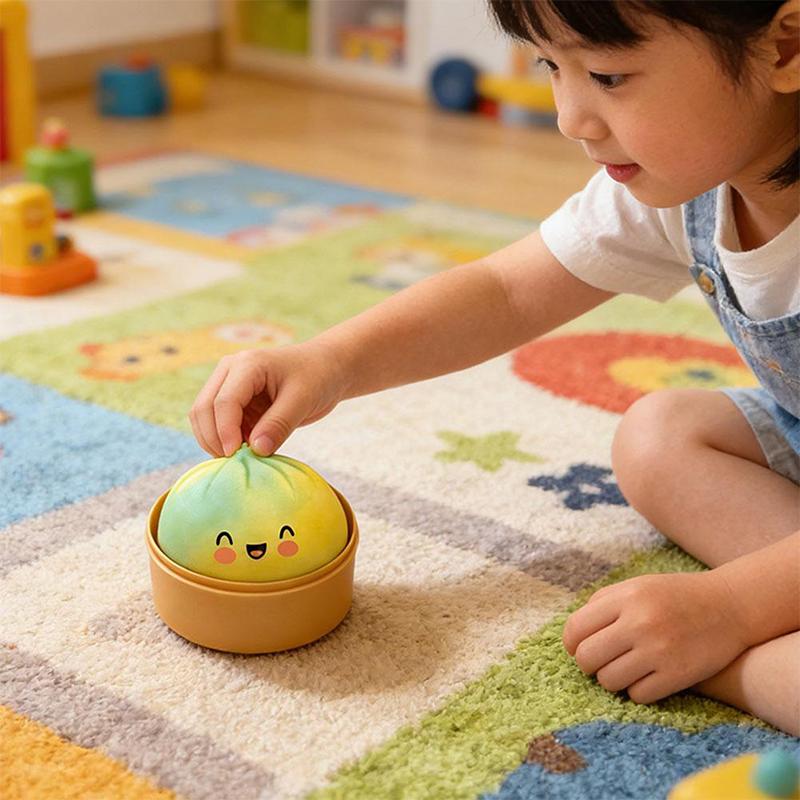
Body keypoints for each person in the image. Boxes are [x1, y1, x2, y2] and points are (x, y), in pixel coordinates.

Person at [189, 1, 799, 735]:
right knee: (658, 435)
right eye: (551, 65)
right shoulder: (685, 185)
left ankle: (753, 660)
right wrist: (332, 360)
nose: (571, 118)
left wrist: (730, 611)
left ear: (785, 47)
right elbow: (507, 291)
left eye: (608, 76)